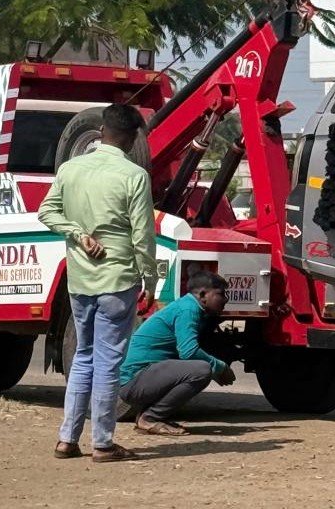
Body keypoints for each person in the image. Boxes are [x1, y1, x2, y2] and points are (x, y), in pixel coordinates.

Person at [38, 103, 157, 463]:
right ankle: (103, 443)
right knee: (108, 362)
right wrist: (149, 276)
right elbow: (143, 235)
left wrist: (77, 234)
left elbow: (47, 211)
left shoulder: (71, 169)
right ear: (133, 137)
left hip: (80, 278)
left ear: (102, 130)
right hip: (117, 277)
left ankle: (66, 439)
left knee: (84, 358)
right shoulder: (134, 176)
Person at [118, 271, 236, 436]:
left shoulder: (190, 307)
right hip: (134, 382)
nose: (226, 299)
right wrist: (220, 367)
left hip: (142, 379)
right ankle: (150, 418)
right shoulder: (188, 309)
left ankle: (149, 416)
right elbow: (189, 351)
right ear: (203, 295)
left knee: (200, 368)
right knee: (201, 370)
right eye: (221, 294)